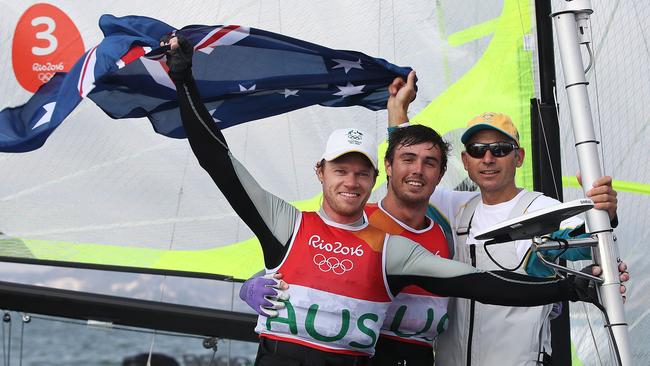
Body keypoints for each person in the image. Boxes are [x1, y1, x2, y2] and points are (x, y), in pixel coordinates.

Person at [163, 35, 599, 366]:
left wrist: (570, 282)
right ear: (322, 172)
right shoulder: (288, 223)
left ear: (374, 177)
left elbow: (477, 283)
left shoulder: (418, 231)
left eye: (360, 172)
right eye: (340, 169)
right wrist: (184, 80)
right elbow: (218, 162)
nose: (351, 181)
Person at [386, 74, 628, 366]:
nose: (488, 158)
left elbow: (584, 243)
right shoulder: (454, 206)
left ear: (519, 157)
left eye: (500, 149)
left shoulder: (541, 208)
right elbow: (406, 174)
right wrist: (398, 112)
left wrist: (604, 214)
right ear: (466, 161)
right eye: (477, 150)